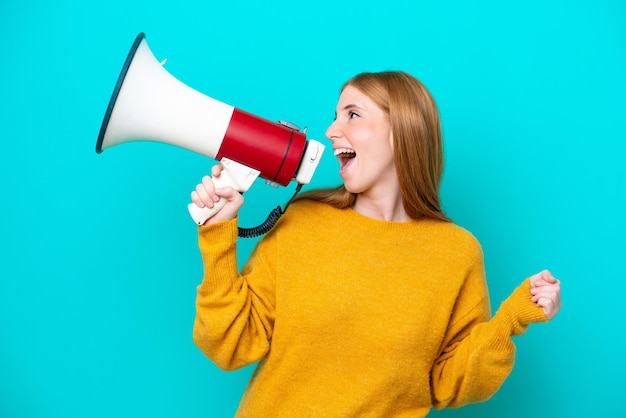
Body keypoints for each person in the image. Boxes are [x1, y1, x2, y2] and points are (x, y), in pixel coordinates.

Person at [190, 71, 562, 417]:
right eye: (334, 116)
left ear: (402, 129)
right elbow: (231, 344)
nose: (331, 130)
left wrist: (511, 319)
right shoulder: (302, 223)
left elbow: (450, 382)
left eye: (352, 115)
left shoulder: (457, 253)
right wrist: (219, 235)